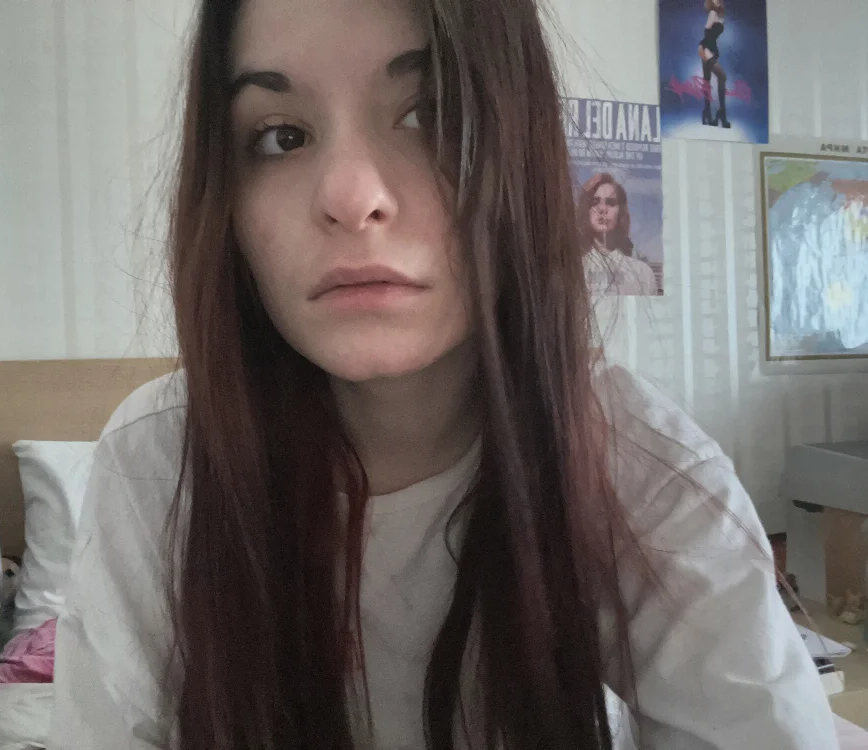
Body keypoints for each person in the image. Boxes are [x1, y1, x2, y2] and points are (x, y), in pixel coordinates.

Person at [49, 0, 836, 748]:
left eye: (429, 115)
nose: (351, 197)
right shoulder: (159, 466)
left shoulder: (646, 474)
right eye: (282, 137)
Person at [579, 173, 659, 296]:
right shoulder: (576, 270)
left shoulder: (642, 273)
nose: (602, 209)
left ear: (620, 212)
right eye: (595, 202)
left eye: (610, 203)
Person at [699, 0, 731, 128]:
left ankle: (709, 112)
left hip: (711, 49)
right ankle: (721, 114)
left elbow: (713, 35)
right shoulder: (712, 13)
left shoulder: (720, 16)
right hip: (706, 50)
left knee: (707, 81)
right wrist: (701, 46)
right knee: (722, 76)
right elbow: (707, 33)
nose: (717, 1)